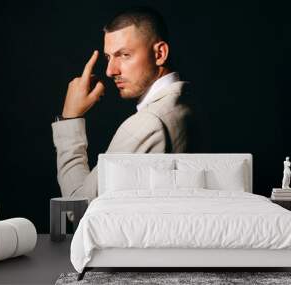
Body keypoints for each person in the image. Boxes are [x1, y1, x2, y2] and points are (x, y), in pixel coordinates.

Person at [51, 7, 193, 203]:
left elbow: (77, 207)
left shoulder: (147, 124)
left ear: (160, 53)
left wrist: (70, 118)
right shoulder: (189, 100)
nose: (110, 71)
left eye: (124, 55)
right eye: (109, 57)